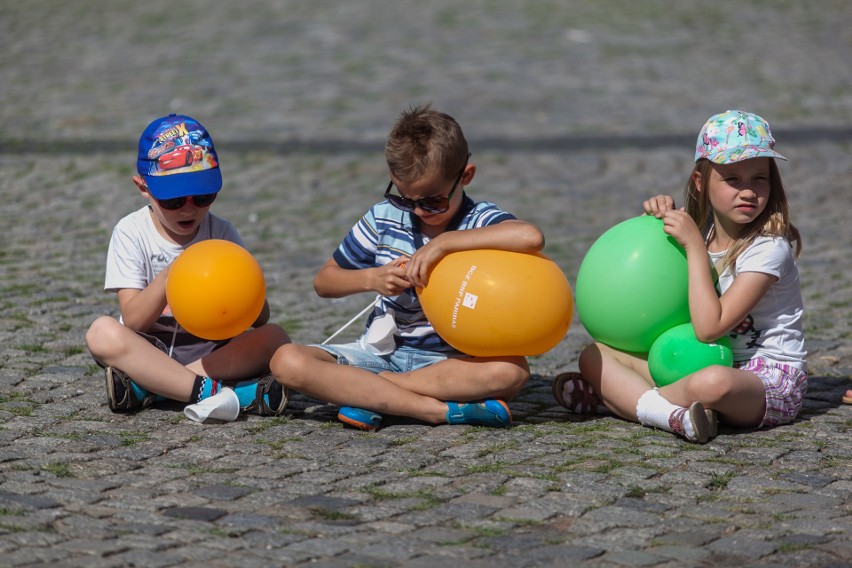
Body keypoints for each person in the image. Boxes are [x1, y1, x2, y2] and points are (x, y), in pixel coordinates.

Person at [270, 104, 545, 430]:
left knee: (512, 372)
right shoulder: (383, 217)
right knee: (286, 360)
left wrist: (442, 244)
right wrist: (373, 278)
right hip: (381, 354)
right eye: (404, 198)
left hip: (449, 363)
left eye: (432, 201)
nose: (418, 211)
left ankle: (373, 395)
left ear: (465, 176)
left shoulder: (478, 220)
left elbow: (531, 236)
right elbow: (325, 282)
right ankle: (435, 411)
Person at [553, 109, 806, 443]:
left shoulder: (768, 249)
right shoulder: (700, 235)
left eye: (759, 178)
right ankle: (671, 412)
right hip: (693, 362)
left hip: (763, 380)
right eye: (732, 179)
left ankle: (628, 403)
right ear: (701, 183)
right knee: (595, 355)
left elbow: (709, 327)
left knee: (714, 383)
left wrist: (693, 249)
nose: (748, 191)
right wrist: (660, 225)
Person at [85, 114, 291, 415]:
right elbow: (134, 321)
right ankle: (222, 393)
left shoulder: (221, 232)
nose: (189, 209)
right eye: (173, 201)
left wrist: (244, 285)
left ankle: (155, 388)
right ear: (144, 188)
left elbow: (259, 318)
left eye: (203, 197)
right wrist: (172, 275)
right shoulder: (131, 231)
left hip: (210, 349)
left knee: (276, 337)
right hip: (148, 348)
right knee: (101, 332)